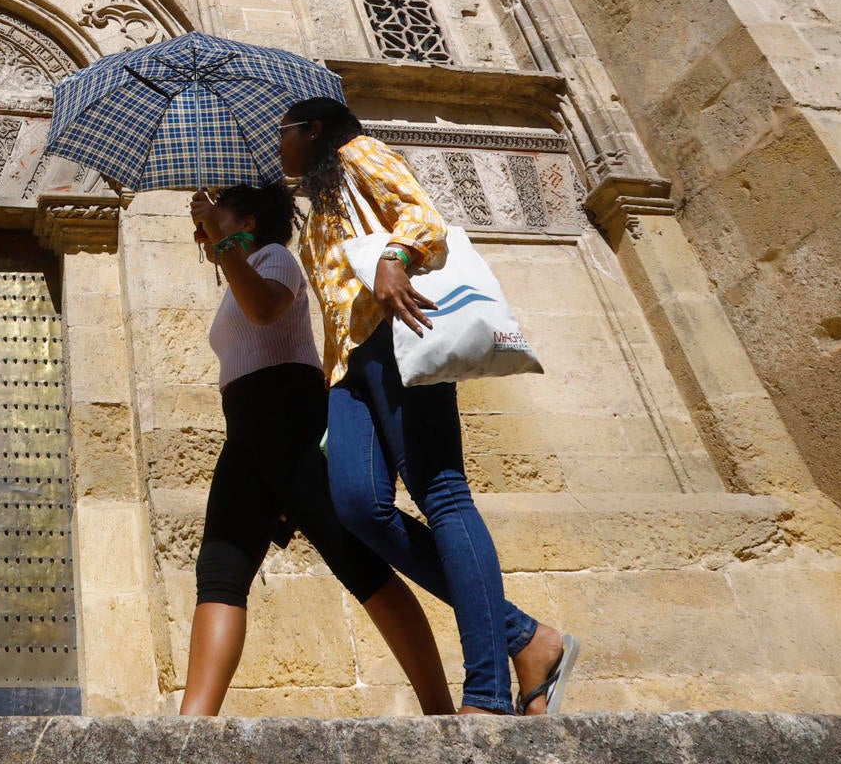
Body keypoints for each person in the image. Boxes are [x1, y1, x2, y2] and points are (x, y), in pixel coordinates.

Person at [276, 96, 580, 715]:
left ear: (312, 131)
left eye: (281, 134)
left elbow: (422, 216)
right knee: (359, 505)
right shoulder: (322, 201)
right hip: (350, 369)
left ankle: (489, 692)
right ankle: (528, 637)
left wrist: (394, 259)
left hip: (399, 341)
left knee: (441, 494)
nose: (277, 146)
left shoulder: (358, 155)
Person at [181, 181, 454, 716]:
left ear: (249, 222)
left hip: (288, 418)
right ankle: (190, 728)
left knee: (357, 561)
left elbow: (263, 310)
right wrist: (216, 236)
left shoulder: (276, 259)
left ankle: (440, 711)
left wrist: (223, 242)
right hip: (248, 431)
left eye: (223, 211)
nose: (214, 218)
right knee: (219, 565)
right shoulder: (242, 263)